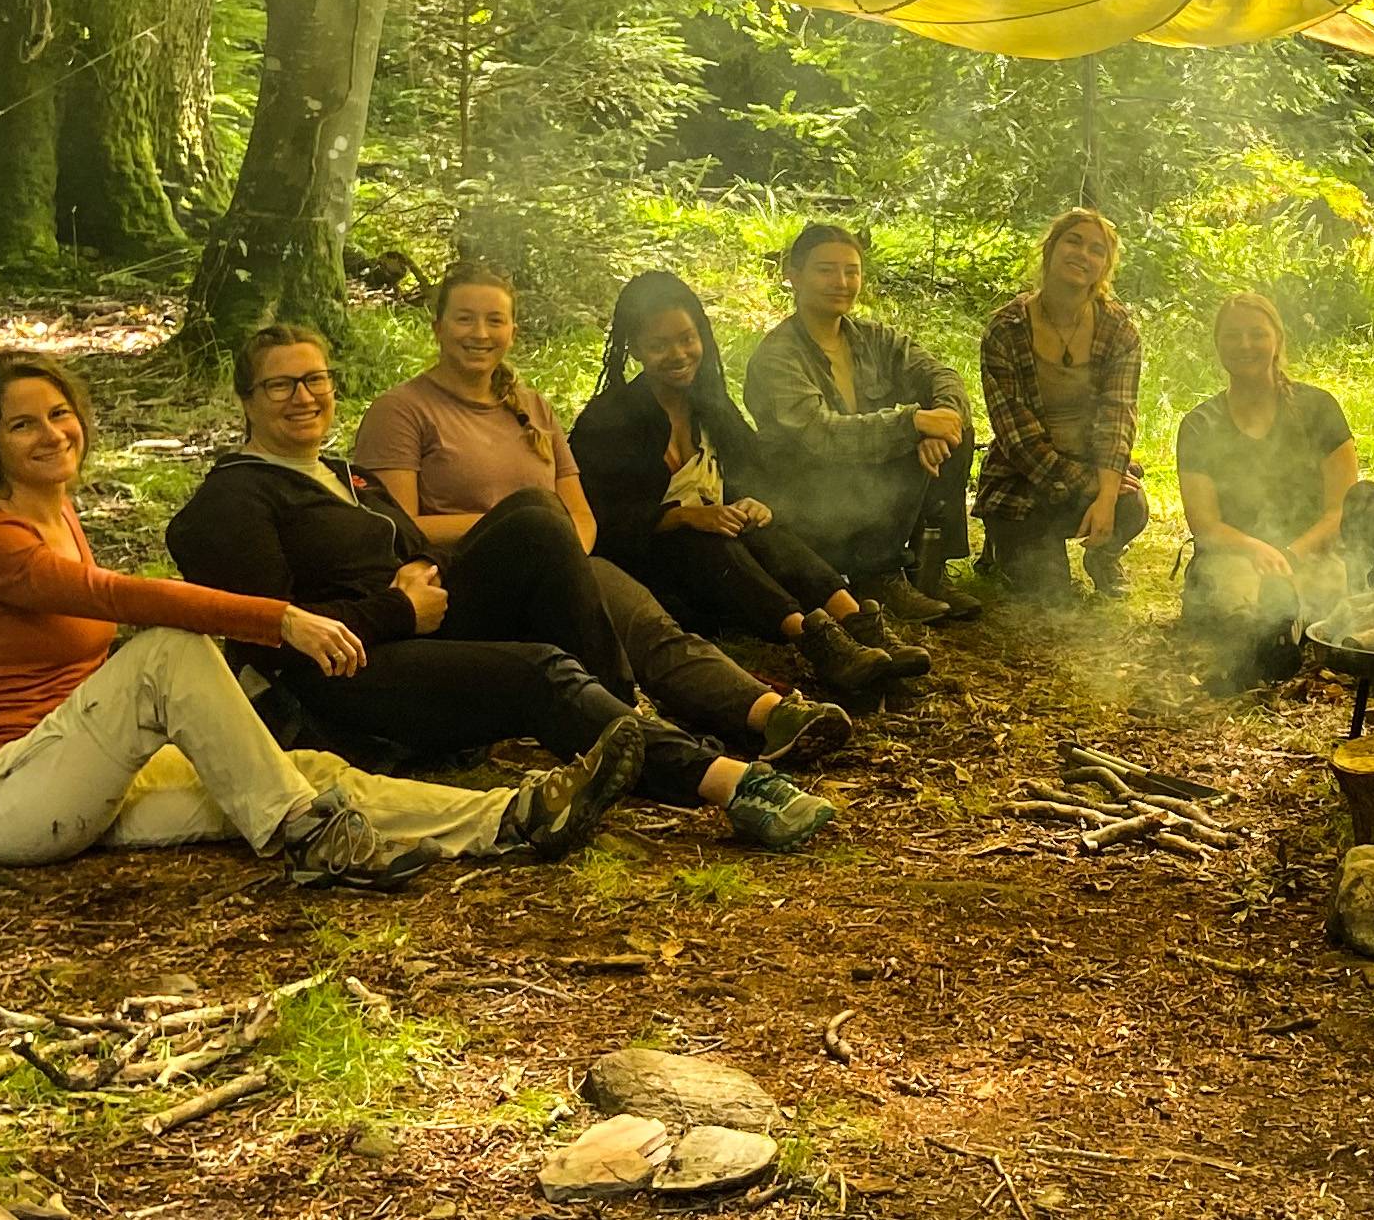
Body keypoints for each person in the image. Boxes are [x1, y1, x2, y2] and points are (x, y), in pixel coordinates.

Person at [0, 347, 629, 884]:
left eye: (60, 415)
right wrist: (283, 620)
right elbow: (118, 598)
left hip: (87, 784)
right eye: (23, 424)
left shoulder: (60, 514)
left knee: (309, 773)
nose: (52, 434)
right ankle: (309, 839)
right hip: (0, 797)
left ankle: (511, 816)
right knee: (167, 648)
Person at [175, 323, 832, 854]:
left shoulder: (346, 477)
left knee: (536, 515)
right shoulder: (233, 497)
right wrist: (396, 606)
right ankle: (731, 785)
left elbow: (417, 549)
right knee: (537, 671)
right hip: (346, 680)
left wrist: (418, 572)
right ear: (247, 400)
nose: (303, 396)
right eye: (280, 385)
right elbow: (272, 639)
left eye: (314, 378)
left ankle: (623, 713)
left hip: (415, 631)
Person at [350, 262, 845, 849]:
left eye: (494, 319)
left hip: (556, 559)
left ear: (512, 328)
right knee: (536, 513)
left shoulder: (531, 405)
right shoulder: (402, 410)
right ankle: (632, 716)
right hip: (466, 585)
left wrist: (562, 547)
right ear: (437, 326)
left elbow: (578, 511)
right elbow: (405, 530)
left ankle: (768, 714)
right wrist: (538, 533)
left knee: (654, 630)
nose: (479, 333)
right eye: (464, 318)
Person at [575, 270, 925, 703]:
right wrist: (680, 516)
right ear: (634, 348)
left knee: (757, 525)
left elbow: (755, 473)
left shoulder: (711, 405)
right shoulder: (608, 421)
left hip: (730, 556)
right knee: (704, 538)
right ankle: (816, 642)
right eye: (659, 345)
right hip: (663, 570)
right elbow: (597, 525)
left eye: (687, 338)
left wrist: (758, 503)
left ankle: (858, 625)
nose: (678, 354)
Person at [742, 224, 982, 624]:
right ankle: (877, 576)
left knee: (953, 428)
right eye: (825, 270)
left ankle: (927, 571)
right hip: (809, 502)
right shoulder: (778, 356)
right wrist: (913, 423)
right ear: (794, 275)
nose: (841, 282)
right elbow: (822, 435)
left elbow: (943, 375)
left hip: (865, 491)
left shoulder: (874, 338)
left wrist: (940, 419)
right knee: (913, 430)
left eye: (851, 271)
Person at [1174, 293, 1365, 690]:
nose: (1245, 345)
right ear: (1218, 345)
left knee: (1326, 585)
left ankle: (1281, 630)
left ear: (1277, 340)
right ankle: (1267, 639)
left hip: (1311, 551)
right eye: (1233, 336)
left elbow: (1340, 510)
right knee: (1237, 591)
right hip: (1235, 555)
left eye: (1257, 334)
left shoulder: (1318, 408)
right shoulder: (1199, 425)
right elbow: (1205, 524)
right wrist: (1257, 549)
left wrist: (1292, 554)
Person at [976, 208, 1149, 604]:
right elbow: (1017, 439)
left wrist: (1105, 496)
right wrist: (1089, 483)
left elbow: (1118, 417)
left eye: (1096, 250)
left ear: (1105, 267)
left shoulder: (1118, 329)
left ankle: (1103, 554)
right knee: (1048, 595)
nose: (1083, 254)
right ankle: (1000, 549)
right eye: (1073, 241)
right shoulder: (1006, 329)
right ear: (1050, 249)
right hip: (1024, 479)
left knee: (1130, 504)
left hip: (1090, 465)